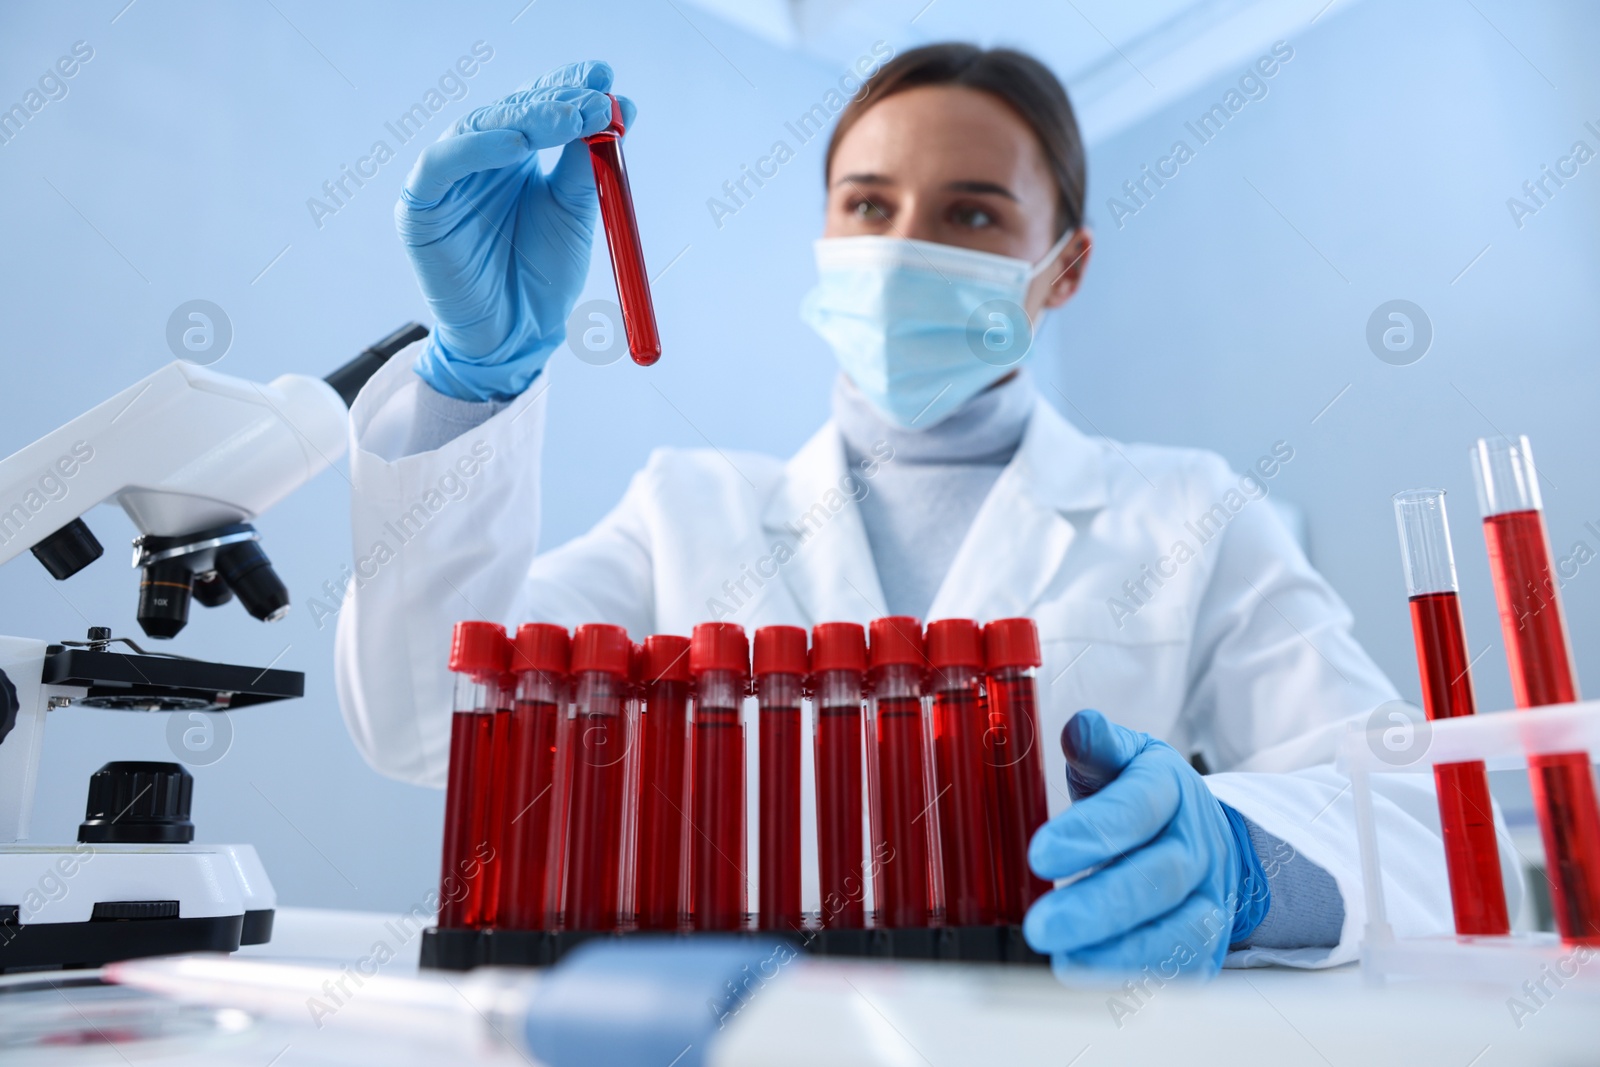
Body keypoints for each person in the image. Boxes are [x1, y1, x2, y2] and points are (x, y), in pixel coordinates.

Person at [335, 45, 1519, 976]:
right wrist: (471, 384)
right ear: (823, 235)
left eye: (970, 214)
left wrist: (1245, 860)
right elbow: (430, 723)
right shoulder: (685, 507)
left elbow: (1415, 817)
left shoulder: (1188, 510)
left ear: (1065, 268)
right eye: (866, 204)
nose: (901, 248)